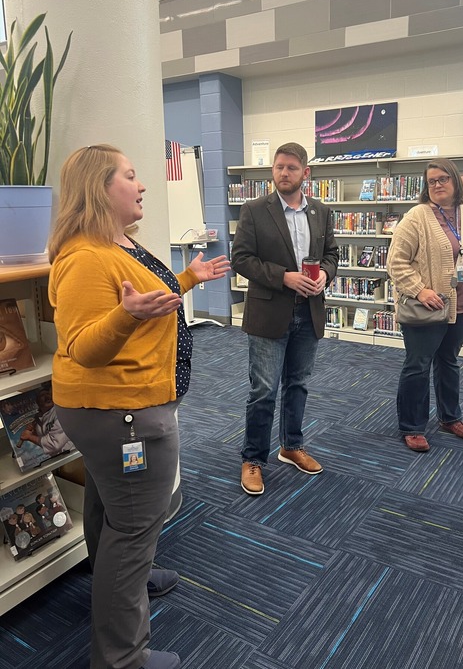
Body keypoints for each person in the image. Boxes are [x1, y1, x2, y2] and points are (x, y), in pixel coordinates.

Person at [48, 144, 229, 669]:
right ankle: (122, 658)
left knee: (113, 507)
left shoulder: (116, 244)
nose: (143, 183)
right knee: (135, 527)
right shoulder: (85, 257)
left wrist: (188, 278)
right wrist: (126, 318)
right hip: (121, 413)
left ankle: (125, 577)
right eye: (130, 175)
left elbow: (150, 297)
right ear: (101, 188)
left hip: (123, 409)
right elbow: (83, 345)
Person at [231, 141, 338, 495]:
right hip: (269, 312)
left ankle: (291, 446)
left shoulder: (321, 212)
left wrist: (324, 273)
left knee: (298, 384)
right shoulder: (254, 210)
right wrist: (284, 277)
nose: (284, 173)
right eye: (279, 167)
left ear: (305, 173)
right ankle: (253, 459)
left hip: (309, 312)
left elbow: (332, 255)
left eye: (291, 168)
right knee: (263, 390)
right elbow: (241, 259)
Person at [387, 158, 463, 452]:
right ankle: (412, 426)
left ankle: (450, 417)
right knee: (418, 365)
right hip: (429, 309)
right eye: (431, 181)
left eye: (442, 179)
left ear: (456, 181)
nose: (436, 185)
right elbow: (395, 263)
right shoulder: (416, 217)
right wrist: (420, 290)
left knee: (449, 362)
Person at [19, 384, 75, 456]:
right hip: (57, 459)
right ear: (38, 402)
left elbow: (54, 444)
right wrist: (33, 433)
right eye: (42, 395)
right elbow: (44, 440)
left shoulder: (60, 412)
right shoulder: (38, 420)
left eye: (48, 394)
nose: (47, 396)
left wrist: (30, 437)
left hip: (72, 455)